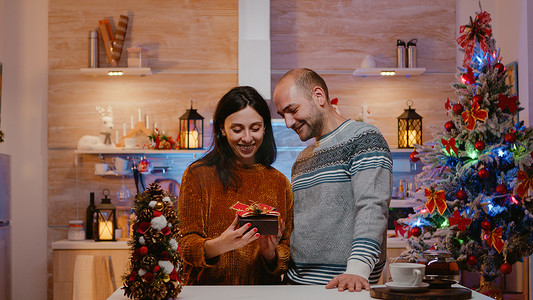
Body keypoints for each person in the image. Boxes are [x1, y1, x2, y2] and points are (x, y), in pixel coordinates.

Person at [273, 68, 392, 292]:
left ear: (319, 96)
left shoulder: (363, 138)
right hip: (295, 286)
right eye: (283, 115)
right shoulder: (301, 159)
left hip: (344, 286)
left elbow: (372, 207)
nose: (288, 123)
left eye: (292, 110)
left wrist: (357, 271)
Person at [178, 86, 294, 285]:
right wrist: (219, 245)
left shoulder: (279, 182)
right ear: (222, 129)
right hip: (207, 294)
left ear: (265, 128)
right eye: (237, 129)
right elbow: (185, 246)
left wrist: (270, 253)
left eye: (255, 128)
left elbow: (286, 254)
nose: (247, 138)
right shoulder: (197, 175)